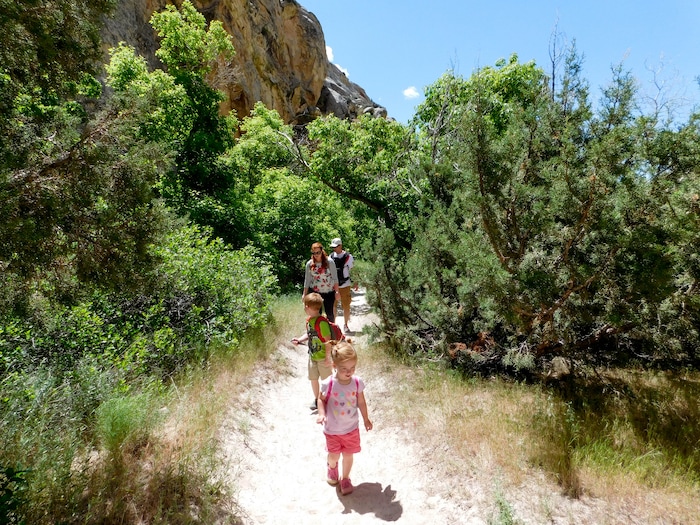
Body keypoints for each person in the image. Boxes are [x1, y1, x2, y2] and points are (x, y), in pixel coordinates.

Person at [316, 340, 373, 495]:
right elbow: (320, 399)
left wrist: (366, 419)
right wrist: (321, 414)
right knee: (334, 455)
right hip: (332, 430)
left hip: (350, 428)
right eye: (344, 369)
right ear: (334, 366)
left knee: (348, 455)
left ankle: (345, 478)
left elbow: (361, 401)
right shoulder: (328, 383)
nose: (349, 372)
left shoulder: (356, 382)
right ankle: (332, 467)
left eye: (352, 368)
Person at [291, 293, 335, 410]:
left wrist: (327, 358)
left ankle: (329, 400)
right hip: (313, 356)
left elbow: (328, 340)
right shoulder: (310, 321)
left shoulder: (322, 322)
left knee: (326, 381)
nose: (304, 308)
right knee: (314, 379)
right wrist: (299, 339)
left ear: (308, 307)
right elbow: (309, 334)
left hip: (322, 357)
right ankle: (317, 400)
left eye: (305, 305)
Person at [303, 242, 340, 323]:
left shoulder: (329, 262)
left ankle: (331, 332)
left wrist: (337, 291)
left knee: (330, 314)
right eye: (314, 253)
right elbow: (307, 280)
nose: (316, 255)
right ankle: (316, 332)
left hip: (329, 291)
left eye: (318, 252)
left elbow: (335, 278)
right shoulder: (309, 264)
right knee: (315, 314)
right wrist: (304, 294)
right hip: (315, 293)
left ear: (321, 251)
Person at [330, 237, 355, 333]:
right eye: (333, 247)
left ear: (340, 246)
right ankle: (333, 325)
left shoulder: (348, 256)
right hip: (333, 285)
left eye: (335, 247)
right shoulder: (331, 256)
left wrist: (355, 282)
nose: (334, 249)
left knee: (346, 306)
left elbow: (352, 270)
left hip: (345, 284)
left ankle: (346, 325)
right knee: (333, 306)